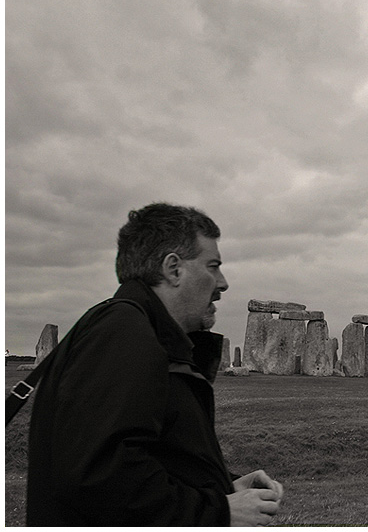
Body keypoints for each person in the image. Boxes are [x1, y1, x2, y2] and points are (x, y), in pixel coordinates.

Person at [26, 203, 284, 526]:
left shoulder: (145, 334)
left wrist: (222, 487)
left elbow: (150, 457)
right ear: (173, 269)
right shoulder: (123, 331)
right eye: (213, 266)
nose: (223, 282)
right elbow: (100, 475)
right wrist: (218, 511)